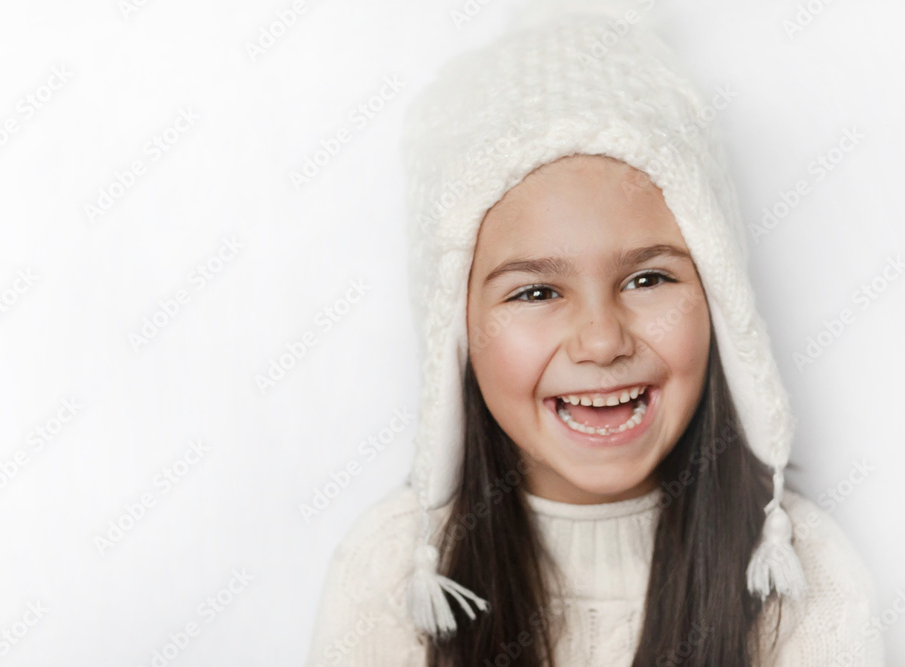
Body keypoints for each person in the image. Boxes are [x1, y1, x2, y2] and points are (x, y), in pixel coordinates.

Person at [305, 6, 884, 666]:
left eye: (648, 279)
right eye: (536, 291)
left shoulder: (803, 579)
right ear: (456, 329)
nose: (602, 340)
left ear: (721, 300)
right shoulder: (388, 574)